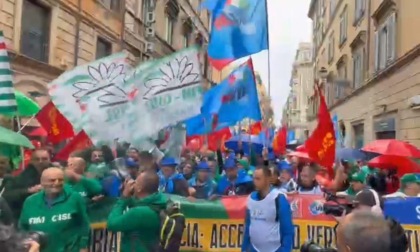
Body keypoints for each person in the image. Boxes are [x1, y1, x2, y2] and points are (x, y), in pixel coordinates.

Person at [19, 167, 90, 252]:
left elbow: (84, 225)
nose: (57, 183)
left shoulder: (75, 198)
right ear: (42, 182)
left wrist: (83, 247)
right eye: (52, 180)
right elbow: (22, 229)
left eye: (60, 180)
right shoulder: (30, 201)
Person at [107, 171, 168, 252]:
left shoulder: (139, 213)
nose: (132, 183)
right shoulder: (159, 202)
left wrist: (123, 198)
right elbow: (139, 202)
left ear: (140, 188)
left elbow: (112, 224)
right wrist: (128, 195)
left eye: (136, 181)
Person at [242, 166, 294, 252]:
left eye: (258, 179)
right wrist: (244, 249)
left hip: (275, 249)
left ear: (267, 179)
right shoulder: (250, 198)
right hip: (254, 249)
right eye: (254, 178)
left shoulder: (278, 198)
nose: (254, 182)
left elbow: (288, 231)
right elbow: (248, 227)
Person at [4, 149, 52, 219]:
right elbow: (7, 195)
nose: (40, 162)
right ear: (31, 161)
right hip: (30, 212)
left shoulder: (59, 173)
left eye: (44, 159)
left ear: (49, 160)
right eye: (37, 159)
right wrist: (28, 191)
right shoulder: (21, 177)